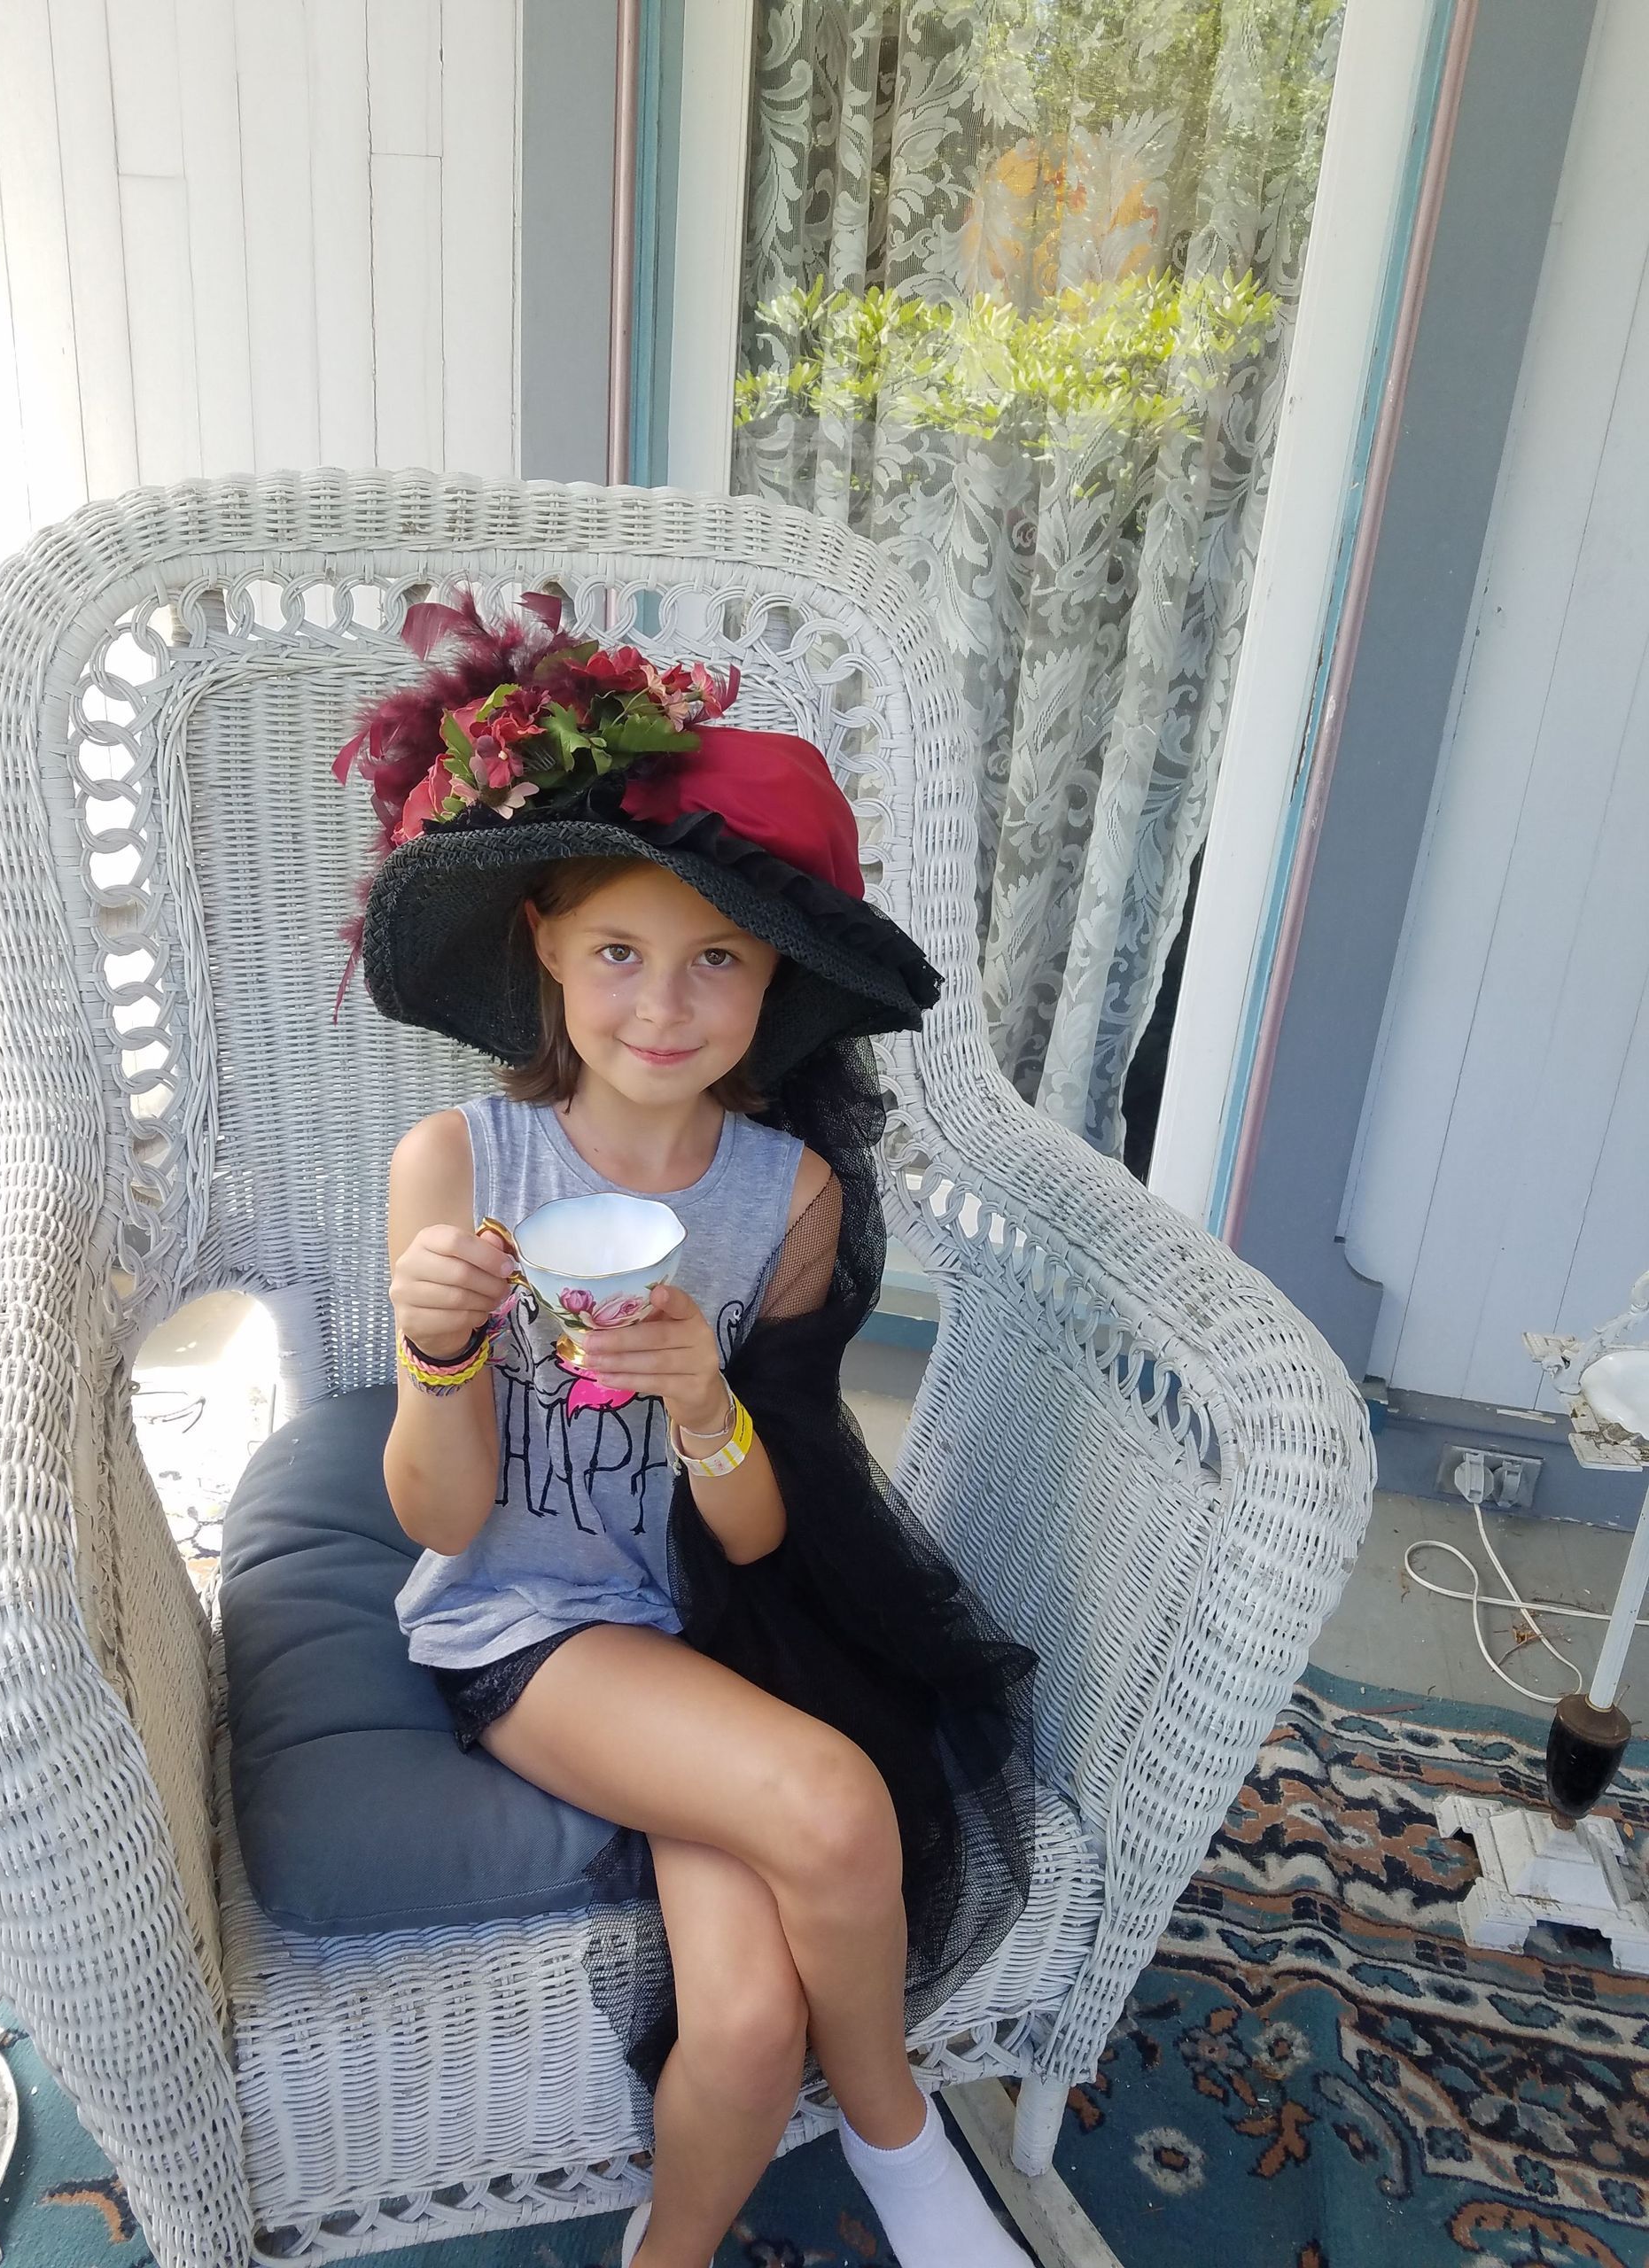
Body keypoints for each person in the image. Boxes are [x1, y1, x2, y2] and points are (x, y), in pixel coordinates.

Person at [335, 589, 1038, 2268]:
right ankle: (906, 2149)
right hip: (530, 1628)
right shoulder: (461, 1170)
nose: (666, 1004)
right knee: (836, 1809)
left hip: (713, 1624)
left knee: (739, 2024)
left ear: (772, 980)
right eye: (620, 954)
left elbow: (763, 1533)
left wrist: (709, 1406)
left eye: (716, 956)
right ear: (550, 959)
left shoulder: (783, 1195)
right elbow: (439, 1526)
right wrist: (441, 1355)